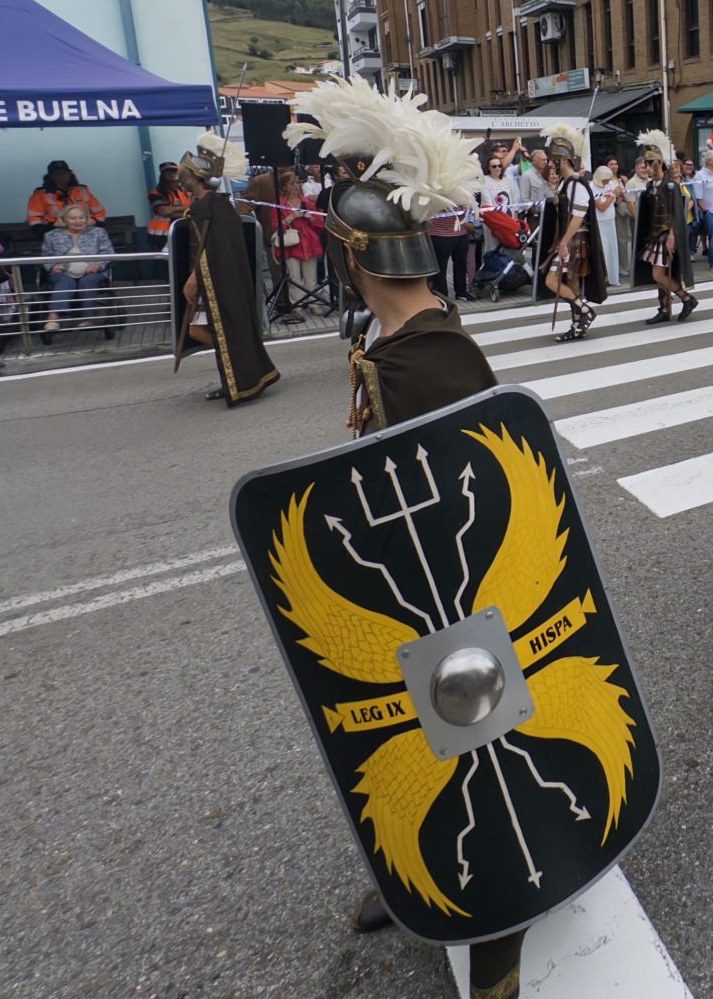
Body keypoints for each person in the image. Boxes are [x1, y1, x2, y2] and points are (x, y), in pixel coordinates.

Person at [282, 82, 520, 995]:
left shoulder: (424, 359)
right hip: (409, 604)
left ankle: (500, 930)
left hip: (456, 607)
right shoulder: (413, 343)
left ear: (355, 260)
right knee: (418, 747)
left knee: (478, 750)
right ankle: (414, 872)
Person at [173, 134, 279, 406]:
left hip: (214, 281)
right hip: (211, 279)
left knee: (221, 331)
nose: (179, 178)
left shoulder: (213, 207)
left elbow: (213, 249)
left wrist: (195, 278)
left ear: (195, 177)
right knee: (211, 331)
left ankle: (239, 377)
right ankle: (237, 374)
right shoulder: (210, 206)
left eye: (183, 174)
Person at [536, 121, 607, 342]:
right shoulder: (566, 184)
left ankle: (584, 310)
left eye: (555, 160)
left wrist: (564, 242)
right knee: (572, 282)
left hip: (575, 240)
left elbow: (578, 216)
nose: (552, 164)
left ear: (564, 160)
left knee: (552, 280)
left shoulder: (576, 183)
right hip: (570, 240)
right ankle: (578, 325)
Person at [632, 130, 698, 324]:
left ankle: (686, 298)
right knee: (661, 274)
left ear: (658, 163)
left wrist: (672, 235)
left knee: (658, 274)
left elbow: (676, 214)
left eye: (649, 164)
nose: (647, 168)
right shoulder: (652, 185)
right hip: (654, 235)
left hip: (665, 235)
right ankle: (664, 308)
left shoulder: (670, 186)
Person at [39, 203, 115, 333]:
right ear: (64, 220)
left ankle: (88, 319)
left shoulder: (98, 232)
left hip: (92, 270)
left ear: (87, 219)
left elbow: (108, 252)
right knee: (64, 281)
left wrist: (98, 265)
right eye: (73, 218)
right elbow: (46, 255)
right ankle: (53, 318)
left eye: (81, 217)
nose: (78, 221)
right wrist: (51, 266)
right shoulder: (51, 235)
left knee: (87, 281)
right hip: (63, 271)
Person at [272, 170, 329, 316]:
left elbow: (319, 224)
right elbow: (275, 227)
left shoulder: (306, 202)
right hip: (291, 243)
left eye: (297, 182)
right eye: (292, 183)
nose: (296, 186)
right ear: (284, 187)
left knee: (311, 278)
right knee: (294, 278)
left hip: (309, 242)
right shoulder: (279, 204)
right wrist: (291, 217)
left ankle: (313, 303)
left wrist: (310, 218)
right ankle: (297, 306)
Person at [25, 160, 105, 237]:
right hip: (56, 232)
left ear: (70, 174)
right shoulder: (40, 194)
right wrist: (48, 229)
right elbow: (34, 218)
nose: (62, 175)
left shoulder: (82, 190)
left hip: (86, 231)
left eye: (65, 172)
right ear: (51, 176)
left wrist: (96, 223)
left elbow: (99, 212)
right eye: (57, 173)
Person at [591, 163, 625, 288]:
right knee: (603, 251)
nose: (607, 182)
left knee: (612, 250)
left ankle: (613, 278)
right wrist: (613, 195)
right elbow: (601, 207)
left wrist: (619, 194)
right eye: (606, 180)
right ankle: (602, 278)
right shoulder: (592, 187)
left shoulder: (609, 185)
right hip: (600, 223)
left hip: (610, 221)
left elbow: (615, 202)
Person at [147, 163, 188, 244]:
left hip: (182, 230)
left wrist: (173, 210)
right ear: (162, 175)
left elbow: (194, 208)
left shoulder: (185, 191)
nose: (171, 174)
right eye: (168, 171)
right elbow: (164, 211)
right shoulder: (155, 194)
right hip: (162, 236)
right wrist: (187, 208)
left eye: (174, 171)